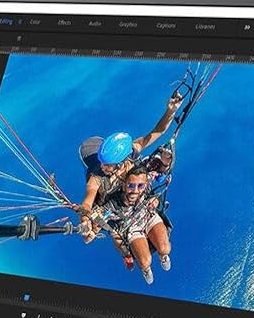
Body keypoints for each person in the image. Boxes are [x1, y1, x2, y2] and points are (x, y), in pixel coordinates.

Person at [71, 89, 183, 228]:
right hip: (111, 206)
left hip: (131, 192)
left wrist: (171, 111)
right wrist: (85, 219)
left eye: (108, 164)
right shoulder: (96, 177)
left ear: (122, 162)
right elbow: (88, 201)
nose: (102, 167)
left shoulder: (131, 152)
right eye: (102, 162)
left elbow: (157, 131)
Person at [100, 165, 172, 285]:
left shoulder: (147, 186)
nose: (135, 190)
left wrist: (155, 201)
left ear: (145, 185)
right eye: (131, 186)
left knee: (165, 248)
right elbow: (99, 214)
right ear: (124, 185)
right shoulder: (114, 204)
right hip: (132, 229)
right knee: (145, 262)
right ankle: (146, 269)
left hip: (148, 217)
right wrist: (89, 222)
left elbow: (160, 172)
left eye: (140, 186)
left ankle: (163, 256)